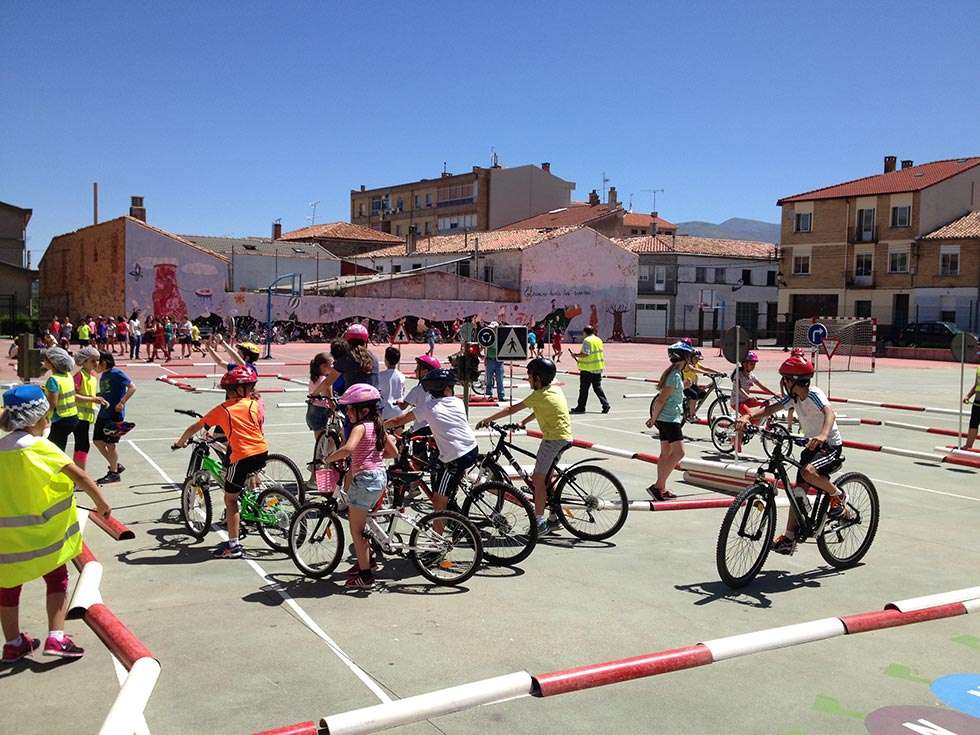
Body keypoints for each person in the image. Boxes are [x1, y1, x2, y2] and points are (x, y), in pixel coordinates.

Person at [0, 385, 112, 662]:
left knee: (8, 587)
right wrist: (102, 505)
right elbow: (81, 477)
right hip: (45, 535)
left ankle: (13, 642)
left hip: (8, 541)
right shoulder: (42, 447)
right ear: (40, 418)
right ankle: (56, 637)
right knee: (57, 579)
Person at [737, 355, 850, 555]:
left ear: (793, 381)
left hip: (830, 446)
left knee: (807, 472)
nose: (783, 383)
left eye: (785, 379)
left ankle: (838, 496)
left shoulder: (814, 394)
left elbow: (830, 413)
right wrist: (748, 415)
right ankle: (789, 538)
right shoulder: (794, 398)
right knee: (797, 492)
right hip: (812, 447)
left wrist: (823, 435)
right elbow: (769, 408)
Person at [173, 367, 267, 559]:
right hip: (262, 450)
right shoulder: (253, 404)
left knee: (230, 499)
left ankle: (233, 546)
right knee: (239, 478)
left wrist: (180, 441)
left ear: (233, 390)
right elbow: (257, 424)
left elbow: (196, 426)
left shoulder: (223, 409)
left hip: (242, 456)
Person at [477, 357, 571, 533]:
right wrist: (523, 422)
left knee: (537, 481)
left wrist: (487, 419)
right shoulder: (553, 390)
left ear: (538, 378)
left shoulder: (539, 395)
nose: (528, 379)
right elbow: (541, 409)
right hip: (562, 437)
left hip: (553, 439)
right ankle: (553, 517)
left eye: (529, 376)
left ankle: (539, 523)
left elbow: (510, 409)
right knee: (546, 478)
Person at [323, 385, 398, 589]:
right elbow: (392, 453)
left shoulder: (360, 427)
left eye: (350, 409)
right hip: (380, 478)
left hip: (364, 480)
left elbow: (348, 449)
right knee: (363, 523)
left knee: (356, 530)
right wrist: (372, 456)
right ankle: (368, 559)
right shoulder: (378, 425)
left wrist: (328, 458)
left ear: (363, 410)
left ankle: (365, 577)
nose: (347, 413)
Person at [385, 368, 478, 520]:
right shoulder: (458, 401)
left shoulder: (429, 408)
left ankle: (438, 540)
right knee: (437, 467)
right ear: (447, 388)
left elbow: (398, 421)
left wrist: (378, 426)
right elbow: (447, 424)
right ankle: (451, 499)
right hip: (472, 448)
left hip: (456, 457)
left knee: (438, 504)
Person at [645, 342, 693, 501]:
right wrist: (653, 419)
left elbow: (672, 394)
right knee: (679, 453)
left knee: (666, 454)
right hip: (670, 420)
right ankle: (658, 486)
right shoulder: (674, 376)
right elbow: (660, 400)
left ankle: (662, 488)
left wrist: (684, 386)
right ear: (685, 358)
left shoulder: (675, 375)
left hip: (667, 419)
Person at [92, 352, 136, 484]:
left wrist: (122, 402)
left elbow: (132, 387)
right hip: (103, 413)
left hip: (114, 414)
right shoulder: (104, 375)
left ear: (104, 363)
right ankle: (115, 465)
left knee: (111, 444)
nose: (95, 365)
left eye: (97, 362)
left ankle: (114, 473)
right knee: (97, 441)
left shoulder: (116, 373)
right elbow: (108, 392)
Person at [730, 351, 776, 452]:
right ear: (744, 364)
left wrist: (774, 393)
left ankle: (757, 426)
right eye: (751, 364)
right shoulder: (738, 374)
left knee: (766, 404)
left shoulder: (751, 375)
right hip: (737, 401)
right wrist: (749, 397)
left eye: (754, 364)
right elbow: (739, 388)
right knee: (749, 415)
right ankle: (736, 438)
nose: (753, 366)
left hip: (746, 400)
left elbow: (761, 385)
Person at [71, 347, 108, 471]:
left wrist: (99, 398)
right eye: (93, 361)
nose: (96, 363)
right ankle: (80, 476)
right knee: (82, 445)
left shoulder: (92, 376)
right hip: (78, 416)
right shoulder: (79, 375)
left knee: (82, 446)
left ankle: (79, 475)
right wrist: (93, 400)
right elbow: (73, 395)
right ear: (84, 361)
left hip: (86, 417)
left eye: (97, 360)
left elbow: (89, 394)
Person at [41, 347, 78, 452]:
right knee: (59, 448)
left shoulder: (53, 380)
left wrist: (43, 416)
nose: (44, 361)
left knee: (53, 450)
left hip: (62, 420)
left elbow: (52, 403)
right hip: (73, 417)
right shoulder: (68, 375)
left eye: (46, 359)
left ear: (52, 363)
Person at [570, 325, 609, 414]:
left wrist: (575, 355)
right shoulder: (598, 340)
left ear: (585, 332)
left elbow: (586, 353)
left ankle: (581, 407)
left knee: (584, 390)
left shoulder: (587, 341)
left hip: (587, 369)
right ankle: (605, 404)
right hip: (598, 367)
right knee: (597, 388)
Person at [306, 352, 335, 472]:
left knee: (319, 444)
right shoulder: (325, 381)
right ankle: (317, 468)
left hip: (312, 411)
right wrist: (335, 408)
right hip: (321, 412)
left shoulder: (314, 378)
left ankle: (317, 469)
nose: (333, 367)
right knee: (327, 445)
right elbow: (330, 399)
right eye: (331, 364)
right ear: (323, 366)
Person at [683, 350, 726, 421]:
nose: (697, 360)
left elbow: (706, 368)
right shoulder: (688, 365)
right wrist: (706, 373)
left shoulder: (696, 363)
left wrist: (718, 372)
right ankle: (691, 416)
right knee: (694, 395)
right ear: (690, 358)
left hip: (691, 385)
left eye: (698, 359)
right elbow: (694, 370)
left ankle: (690, 406)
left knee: (703, 394)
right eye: (695, 358)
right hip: (684, 386)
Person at [378, 347, 406, 421]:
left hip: (385, 412)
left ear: (386, 360)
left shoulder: (380, 375)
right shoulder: (402, 376)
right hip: (398, 412)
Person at [483, 321, 505, 402]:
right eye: (491, 328)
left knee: (500, 379)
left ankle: (501, 396)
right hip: (490, 359)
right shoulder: (488, 336)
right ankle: (489, 395)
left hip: (499, 360)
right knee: (489, 379)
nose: (491, 329)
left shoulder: (501, 337)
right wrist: (484, 357)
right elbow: (484, 347)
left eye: (493, 328)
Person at [963, 363, 980, 449]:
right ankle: (968, 446)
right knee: (973, 424)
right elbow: (976, 385)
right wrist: (968, 396)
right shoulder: (979, 368)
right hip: (977, 402)